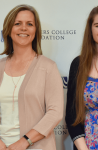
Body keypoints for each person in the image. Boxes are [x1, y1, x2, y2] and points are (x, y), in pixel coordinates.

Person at [0, 4, 64, 150]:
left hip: (36, 146)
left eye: (29, 24)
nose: (23, 28)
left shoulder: (48, 67)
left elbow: (55, 113)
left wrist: (24, 142)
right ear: (8, 29)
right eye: (17, 24)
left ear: (35, 31)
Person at [65, 6, 98, 150]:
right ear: (90, 29)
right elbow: (72, 114)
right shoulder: (78, 64)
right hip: (87, 145)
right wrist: (83, 148)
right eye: (97, 25)